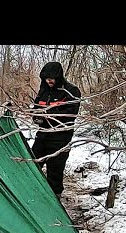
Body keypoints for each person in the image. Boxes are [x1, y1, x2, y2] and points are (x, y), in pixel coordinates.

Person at [31, 61, 81, 198]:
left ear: (58, 77)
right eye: (46, 78)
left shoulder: (71, 91)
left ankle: (55, 202)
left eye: (52, 78)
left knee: (55, 172)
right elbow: (35, 109)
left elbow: (70, 115)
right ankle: (32, 197)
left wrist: (49, 115)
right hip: (42, 136)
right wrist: (37, 117)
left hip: (60, 139)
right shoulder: (43, 91)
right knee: (32, 166)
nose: (49, 81)